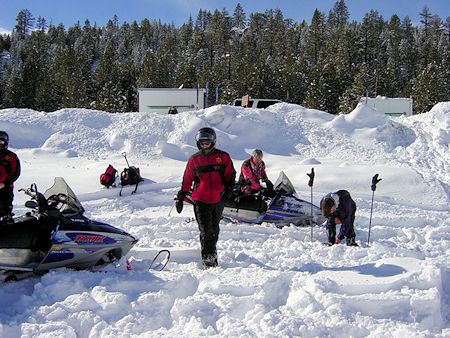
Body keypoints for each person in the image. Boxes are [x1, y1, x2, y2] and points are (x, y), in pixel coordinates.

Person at [176, 127, 235, 268]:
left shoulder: (223, 157)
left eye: (207, 143)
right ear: (198, 143)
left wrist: (228, 191)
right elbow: (187, 178)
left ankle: (210, 252)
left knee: (214, 229)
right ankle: (208, 257)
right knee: (206, 229)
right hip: (201, 199)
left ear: (213, 142)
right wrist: (181, 195)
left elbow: (230, 175)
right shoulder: (194, 160)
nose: (205, 145)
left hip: (218, 199)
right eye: (202, 143)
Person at [0, 131, 21, 222]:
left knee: (5, 211)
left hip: (6, 188)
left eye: (1, 142)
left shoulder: (11, 156)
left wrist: (4, 183)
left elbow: (16, 172)